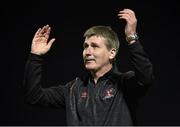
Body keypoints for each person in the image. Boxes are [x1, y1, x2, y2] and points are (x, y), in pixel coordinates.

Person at [23, 8, 154, 126]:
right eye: (86, 46)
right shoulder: (73, 89)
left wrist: (132, 38)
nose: (88, 52)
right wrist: (35, 56)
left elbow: (146, 78)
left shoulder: (125, 83)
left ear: (112, 53)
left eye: (95, 46)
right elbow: (34, 97)